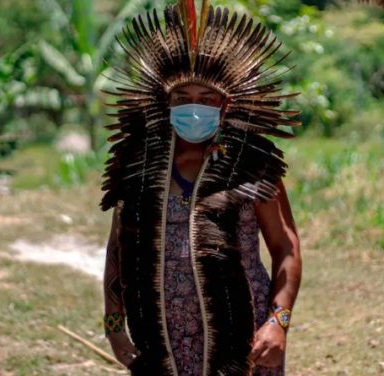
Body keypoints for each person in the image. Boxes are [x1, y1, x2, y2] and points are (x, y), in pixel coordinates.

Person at [100, 2, 302, 375]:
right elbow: (117, 249)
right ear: (166, 104)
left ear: (225, 105)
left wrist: (279, 322)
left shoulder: (252, 164)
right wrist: (114, 326)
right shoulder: (139, 166)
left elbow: (286, 248)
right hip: (159, 338)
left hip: (243, 339)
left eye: (207, 99)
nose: (195, 108)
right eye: (183, 99)